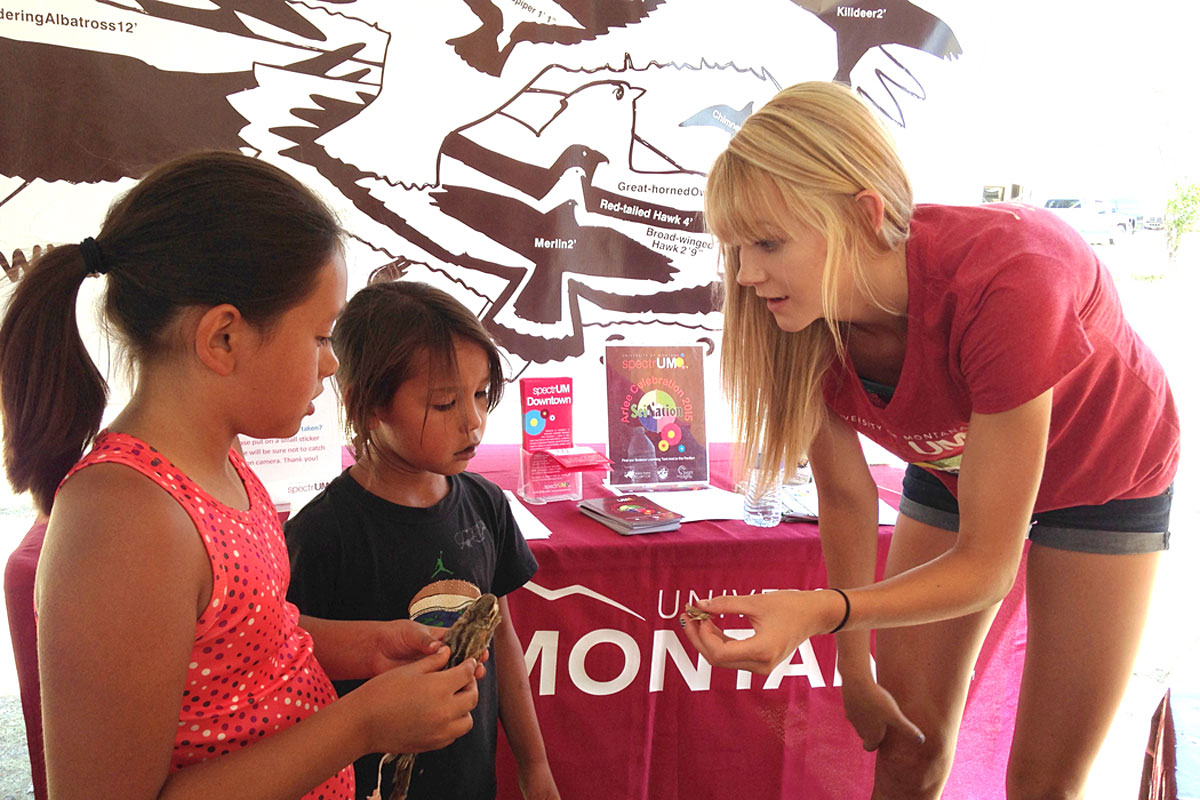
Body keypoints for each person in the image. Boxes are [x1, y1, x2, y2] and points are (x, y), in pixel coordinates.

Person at [680, 82, 1179, 800]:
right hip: (953, 466)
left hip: (1107, 473)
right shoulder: (797, 321)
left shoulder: (1010, 279)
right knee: (906, 744)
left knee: (1043, 782)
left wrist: (823, 612)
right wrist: (854, 670)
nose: (747, 275)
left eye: (767, 243)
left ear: (864, 215)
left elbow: (987, 565)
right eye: (736, 248)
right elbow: (846, 498)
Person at [0, 151, 487, 800]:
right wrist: (362, 723)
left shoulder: (222, 460)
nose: (331, 366)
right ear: (223, 338)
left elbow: (241, 633)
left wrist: (364, 648)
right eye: (319, 337)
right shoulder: (124, 521)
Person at [284, 280, 559, 800]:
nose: (473, 421)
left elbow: (500, 638)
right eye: (445, 402)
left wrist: (535, 764)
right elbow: (292, 667)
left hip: (470, 780)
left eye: (480, 396)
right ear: (369, 404)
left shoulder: (486, 505)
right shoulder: (321, 534)